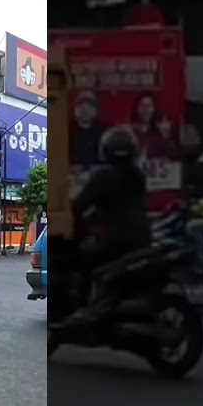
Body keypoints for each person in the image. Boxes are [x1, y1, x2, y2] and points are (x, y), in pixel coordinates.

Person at [61, 128, 153, 326]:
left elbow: (79, 205)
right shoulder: (137, 175)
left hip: (116, 240)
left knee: (82, 259)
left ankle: (83, 309)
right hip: (142, 238)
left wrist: (79, 230)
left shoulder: (103, 175)